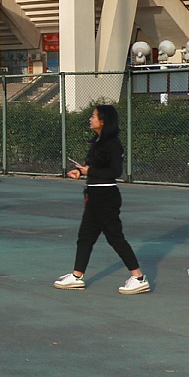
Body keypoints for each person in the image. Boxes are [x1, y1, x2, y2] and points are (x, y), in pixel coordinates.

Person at [53, 104, 151, 294]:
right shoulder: (97, 142)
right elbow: (93, 169)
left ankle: (139, 278)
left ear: (103, 121)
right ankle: (77, 276)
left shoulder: (113, 144)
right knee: (85, 237)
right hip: (94, 196)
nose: (90, 119)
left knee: (115, 237)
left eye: (93, 116)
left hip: (106, 197)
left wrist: (90, 171)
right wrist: (80, 172)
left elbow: (115, 172)